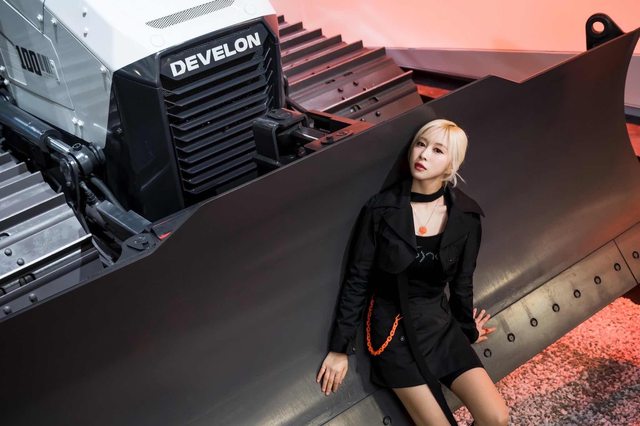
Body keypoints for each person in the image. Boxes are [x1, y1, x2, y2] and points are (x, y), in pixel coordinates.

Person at [316, 119, 510, 426]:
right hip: (392, 334)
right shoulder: (381, 210)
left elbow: (462, 282)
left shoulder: (466, 216)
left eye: (437, 150)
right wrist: (339, 349)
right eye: (421, 144)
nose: (424, 155)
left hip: (439, 327)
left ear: (451, 164)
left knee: (497, 418)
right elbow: (357, 280)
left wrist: (466, 330)